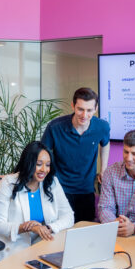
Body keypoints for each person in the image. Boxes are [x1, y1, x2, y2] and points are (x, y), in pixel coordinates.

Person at [0, 141, 74, 261]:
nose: (44, 169)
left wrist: (48, 228)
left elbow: (69, 216)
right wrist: (26, 227)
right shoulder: (8, 184)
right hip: (11, 249)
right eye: (39, 164)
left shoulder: (52, 183)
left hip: (41, 246)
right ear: (28, 163)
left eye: (48, 165)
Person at [41, 87, 110, 222]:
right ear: (73, 106)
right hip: (59, 189)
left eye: (89, 110)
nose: (84, 115)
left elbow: (105, 143)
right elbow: (40, 154)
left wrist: (104, 169)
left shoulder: (102, 127)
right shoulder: (55, 127)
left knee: (85, 232)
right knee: (59, 232)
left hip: (86, 189)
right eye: (80, 109)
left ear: (95, 108)